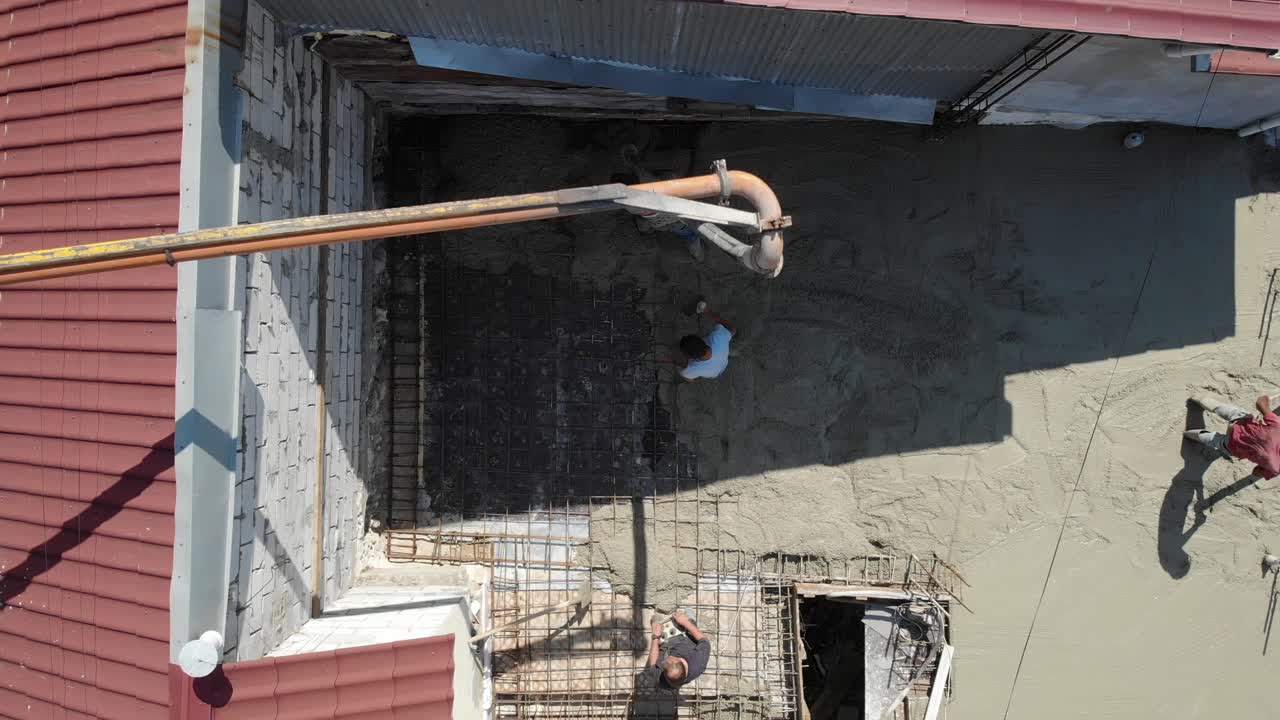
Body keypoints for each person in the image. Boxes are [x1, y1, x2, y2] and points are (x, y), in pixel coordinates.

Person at [1184, 393, 1280, 480]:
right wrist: (1264, 464)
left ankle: (1197, 398)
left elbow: (1260, 403)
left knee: (1223, 409)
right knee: (1212, 439)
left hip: (1239, 423)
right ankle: (1188, 434)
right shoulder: (1275, 469)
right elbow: (1255, 472)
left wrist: (1265, 397)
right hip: (1232, 446)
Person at [641, 609, 711, 689]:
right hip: (684, 636)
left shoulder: (662, 681)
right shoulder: (698, 662)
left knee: (655, 618)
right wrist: (685, 623)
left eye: (665, 661)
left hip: (664, 641)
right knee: (686, 613)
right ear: (683, 663)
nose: (668, 657)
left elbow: (653, 664)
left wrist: (655, 637)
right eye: (671, 657)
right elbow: (704, 640)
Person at [678, 302, 734, 382]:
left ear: (691, 358)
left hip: (716, 373)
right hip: (724, 361)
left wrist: (675, 364)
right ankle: (706, 310)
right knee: (731, 330)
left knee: (684, 374)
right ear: (701, 339)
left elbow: (691, 381)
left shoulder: (691, 367)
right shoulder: (717, 336)